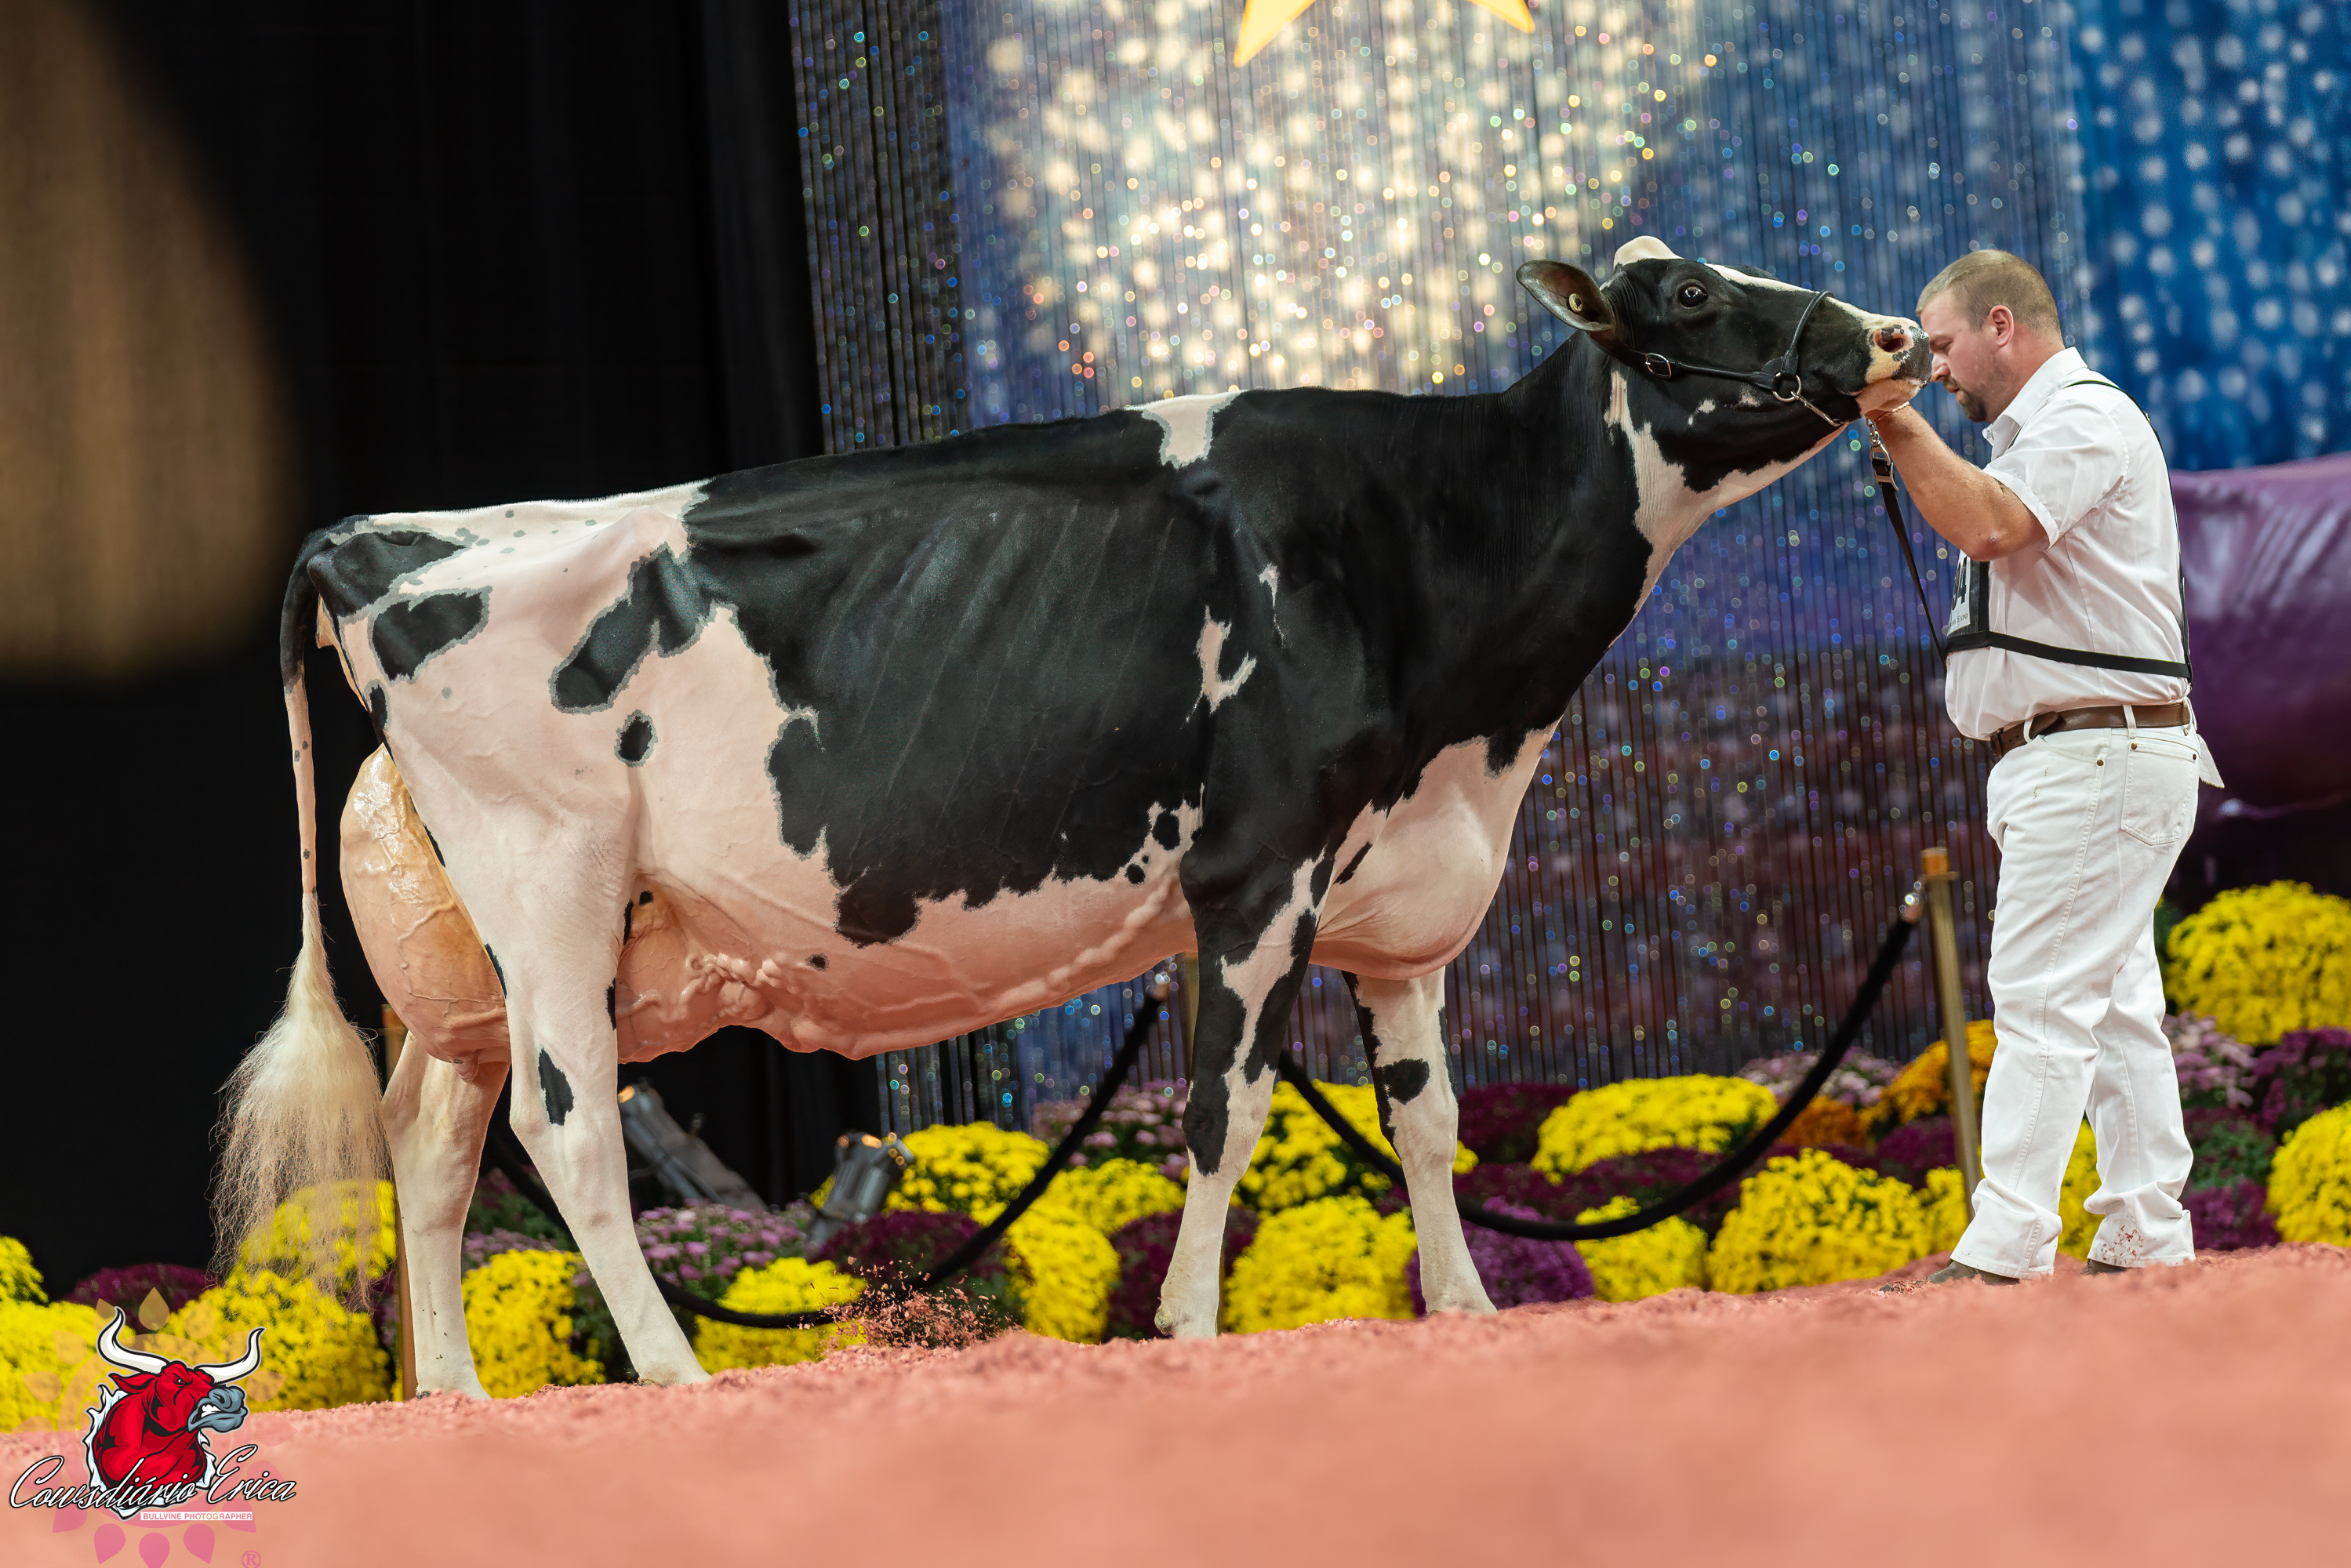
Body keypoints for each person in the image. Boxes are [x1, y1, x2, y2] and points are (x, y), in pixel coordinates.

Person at [1866, 249, 2223, 1283]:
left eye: (1941, 346)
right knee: (2111, 1005)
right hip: (2086, 751)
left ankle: (2007, 1245)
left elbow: (1988, 525)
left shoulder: (2083, 416)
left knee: (2042, 999)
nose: (1934, 369)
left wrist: (1892, 417)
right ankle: (2145, 1232)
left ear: (2001, 325)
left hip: (2098, 749)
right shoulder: (2037, 437)